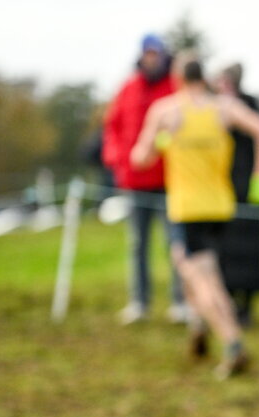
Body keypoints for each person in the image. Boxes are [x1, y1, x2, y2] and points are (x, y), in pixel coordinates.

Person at [131, 53, 259, 378]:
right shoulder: (223, 108)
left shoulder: (167, 111)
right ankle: (198, 330)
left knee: (203, 279)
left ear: (177, 77)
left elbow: (139, 157)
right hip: (220, 207)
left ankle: (232, 343)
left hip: (187, 210)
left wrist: (160, 142)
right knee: (197, 273)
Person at [103, 34, 187, 325]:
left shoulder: (174, 87)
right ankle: (139, 302)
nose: (152, 58)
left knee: (175, 243)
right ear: (141, 56)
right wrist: (116, 158)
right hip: (134, 181)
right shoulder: (127, 88)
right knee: (137, 244)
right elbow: (112, 127)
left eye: (156, 53)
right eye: (147, 54)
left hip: (168, 180)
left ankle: (180, 302)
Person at [215, 63, 259, 327]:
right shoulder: (213, 110)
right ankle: (229, 303)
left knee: (249, 250)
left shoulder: (251, 108)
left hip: (248, 191)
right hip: (222, 190)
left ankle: (247, 304)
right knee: (224, 250)